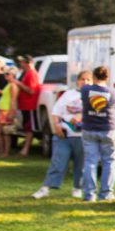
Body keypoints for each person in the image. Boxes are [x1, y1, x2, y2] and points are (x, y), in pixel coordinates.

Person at [34, 70, 89, 199]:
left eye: (88, 80)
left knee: (81, 165)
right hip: (64, 135)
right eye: (82, 79)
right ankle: (46, 188)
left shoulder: (93, 96)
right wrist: (57, 126)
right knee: (58, 162)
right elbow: (56, 112)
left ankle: (77, 188)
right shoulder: (68, 95)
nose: (85, 82)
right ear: (78, 81)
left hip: (83, 136)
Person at [79, 65, 115, 201]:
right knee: (109, 162)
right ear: (107, 78)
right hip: (109, 129)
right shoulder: (114, 93)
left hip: (89, 130)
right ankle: (106, 194)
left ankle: (89, 195)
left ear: (94, 77)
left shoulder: (85, 90)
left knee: (90, 162)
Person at [13, 55, 42, 156]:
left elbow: (31, 90)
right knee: (26, 127)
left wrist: (18, 83)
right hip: (25, 105)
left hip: (30, 105)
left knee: (29, 128)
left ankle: (25, 150)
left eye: (23, 62)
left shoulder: (32, 74)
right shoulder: (27, 74)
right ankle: (25, 147)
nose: (21, 64)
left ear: (28, 63)